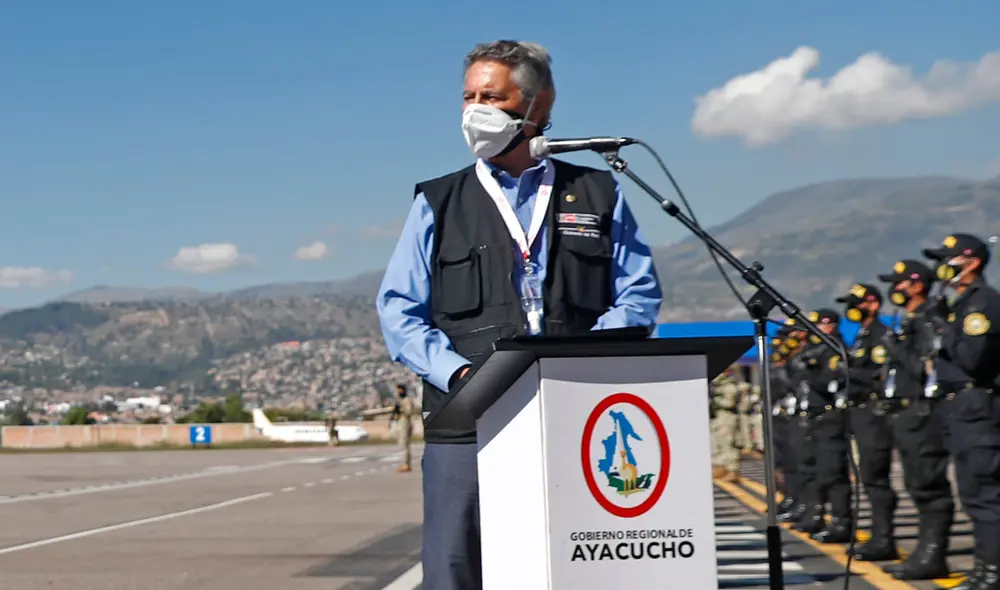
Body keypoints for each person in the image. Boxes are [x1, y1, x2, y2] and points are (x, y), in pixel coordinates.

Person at [375, 39, 663, 590]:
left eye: (491, 95)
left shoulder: (597, 191)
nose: (474, 109)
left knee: (569, 567)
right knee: (455, 567)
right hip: (467, 420)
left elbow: (639, 294)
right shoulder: (439, 200)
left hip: (574, 415)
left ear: (537, 106)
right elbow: (400, 309)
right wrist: (458, 374)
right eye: (468, 96)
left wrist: (588, 360)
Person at [923, 233, 1000, 590]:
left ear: (970, 262)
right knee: (971, 492)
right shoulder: (961, 304)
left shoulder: (981, 303)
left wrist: (943, 330)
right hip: (960, 408)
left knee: (984, 494)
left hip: (977, 406)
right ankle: (984, 569)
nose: (942, 266)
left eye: (949, 259)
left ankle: (992, 573)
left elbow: (973, 358)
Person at [877, 259, 955, 580]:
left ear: (917, 284)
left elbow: (928, 369)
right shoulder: (908, 319)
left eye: (900, 283)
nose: (895, 290)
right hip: (906, 412)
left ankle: (933, 555)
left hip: (923, 411)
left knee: (928, 484)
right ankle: (925, 552)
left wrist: (897, 350)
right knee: (917, 484)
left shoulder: (927, 319)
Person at [835, 283, 898, 559]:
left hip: (874, 412)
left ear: (872, 303)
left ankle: (884, 539)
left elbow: (878, 374)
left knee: (876, 476)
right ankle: (878, 536)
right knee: (869, 477)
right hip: (860, 413)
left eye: (856, 303)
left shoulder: (881, 334)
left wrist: (845, 370)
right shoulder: (863, 335)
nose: (852, 310)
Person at [792, 309, 853, 544]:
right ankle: (816, 513)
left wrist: (812, 368)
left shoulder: (834, 349)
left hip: (830, 417)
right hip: (814, 418)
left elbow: (830, 382)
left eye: (823, 325)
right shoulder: (815, 350)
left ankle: (841, 521)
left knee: (834, 472)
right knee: (814, 469)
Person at [711, 367, 743, 482]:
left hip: (728, 417)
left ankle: (733, 470)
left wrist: (716, 401)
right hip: (721, 417)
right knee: (721, 443)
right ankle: (723, 468)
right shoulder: (719, 386)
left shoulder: (730, 387)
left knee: (728, 444)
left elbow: (729, 403)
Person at [391, 384, 414, 473]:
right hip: (400, 422)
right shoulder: (399, 400)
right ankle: (405, 463)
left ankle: (406, 464)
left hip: (405, 422)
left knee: (404, 444)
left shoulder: (406, 400)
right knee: (402, 444)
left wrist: (400, 409)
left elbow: (409, 412)